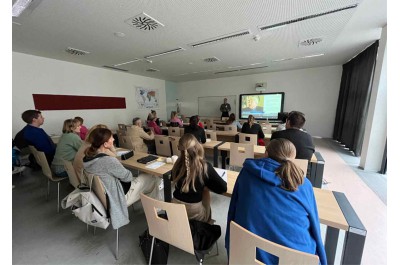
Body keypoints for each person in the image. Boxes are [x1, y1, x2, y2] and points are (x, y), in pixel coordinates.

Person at [225, 139, 327, 265]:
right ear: (293, 158)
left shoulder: (246, 172)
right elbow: (315, 227)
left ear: (266, 154)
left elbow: (232, 211)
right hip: (297, 259)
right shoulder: (304, 185)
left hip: (247, 255)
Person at [83, 128, 157, 229]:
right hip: (118, 197)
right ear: (105, 144)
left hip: (102, 197)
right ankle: (154, 213)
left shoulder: (87, 159)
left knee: (143, 179)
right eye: (111, 138)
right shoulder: (108, 161)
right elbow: (128, 177)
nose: (113, 139)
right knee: (152, 177)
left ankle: (148, 204)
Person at [171, 134, 227, 223]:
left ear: (179, 148)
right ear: (198, 147)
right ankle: (206, 223)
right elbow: (223, 188)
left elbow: (173, 179)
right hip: (194, 212)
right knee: (205, 192)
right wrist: (205, 186)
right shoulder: (205, 167)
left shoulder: (176, 164)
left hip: (174, 206)